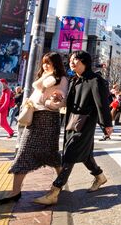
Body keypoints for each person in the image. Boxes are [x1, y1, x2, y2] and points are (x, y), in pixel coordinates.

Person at [34, 51, 112, 206]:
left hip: (86, 122)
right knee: (85, 154)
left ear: (85, 61)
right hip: (71, 121)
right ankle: (100, 176)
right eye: (70, 59)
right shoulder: (75, 79)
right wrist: (59, 98)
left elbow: (102, 104)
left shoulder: (95, 80)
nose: (71, 62)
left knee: (69, 153)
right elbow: (69, 102)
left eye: (75, 59)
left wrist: (107, 124)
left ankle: (54, 191)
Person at [0, 52, 68, 205]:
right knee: (24, 153)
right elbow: (37, 88)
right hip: (34, 118)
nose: (45, 65)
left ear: (56, 64)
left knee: (51, 155)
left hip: (48, 118)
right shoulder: (44, 78)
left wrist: (54, 100)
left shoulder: (60, 79)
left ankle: (60, 184)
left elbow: (61, 99)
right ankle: (15, 192)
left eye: (49, 63)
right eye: (44, 63)